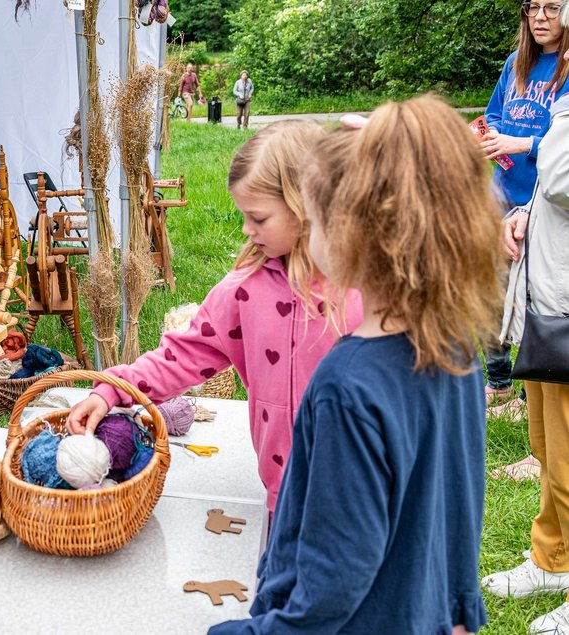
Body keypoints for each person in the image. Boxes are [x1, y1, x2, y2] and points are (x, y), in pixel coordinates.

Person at [210, 95, 501, 634]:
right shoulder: (455, 344)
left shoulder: (347, 386)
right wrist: (461, 610)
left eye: (316, 217)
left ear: (352, 235)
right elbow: (461, 503)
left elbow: (330, 588)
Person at [65, 120, 363, 517]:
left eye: (258, 218)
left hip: (364, 494)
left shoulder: (365, 287)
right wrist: (110, 392)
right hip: (282, 494)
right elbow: (180, 357)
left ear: (307, 205)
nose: (246, 229)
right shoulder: (244, 290)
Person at [482, 30, 569, 635]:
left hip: (563, 294)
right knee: (549, 441)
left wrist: (540, 139)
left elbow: (560, 174)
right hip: (550, 293)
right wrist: (525, 213)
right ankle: (553, 557)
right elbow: (552, 187)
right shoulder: (544, 79)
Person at [481, 0, 569, 416]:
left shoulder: (567, 66)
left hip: (543, 205)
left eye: (552, 8)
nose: (540, 17)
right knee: (489, 294)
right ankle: (498, 383)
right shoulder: (516, 61)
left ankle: (528, 394)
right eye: (533, 7)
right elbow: (494, 114)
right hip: (500, 195)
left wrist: (523, 143)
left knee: (536, 303)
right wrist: (490, 136)